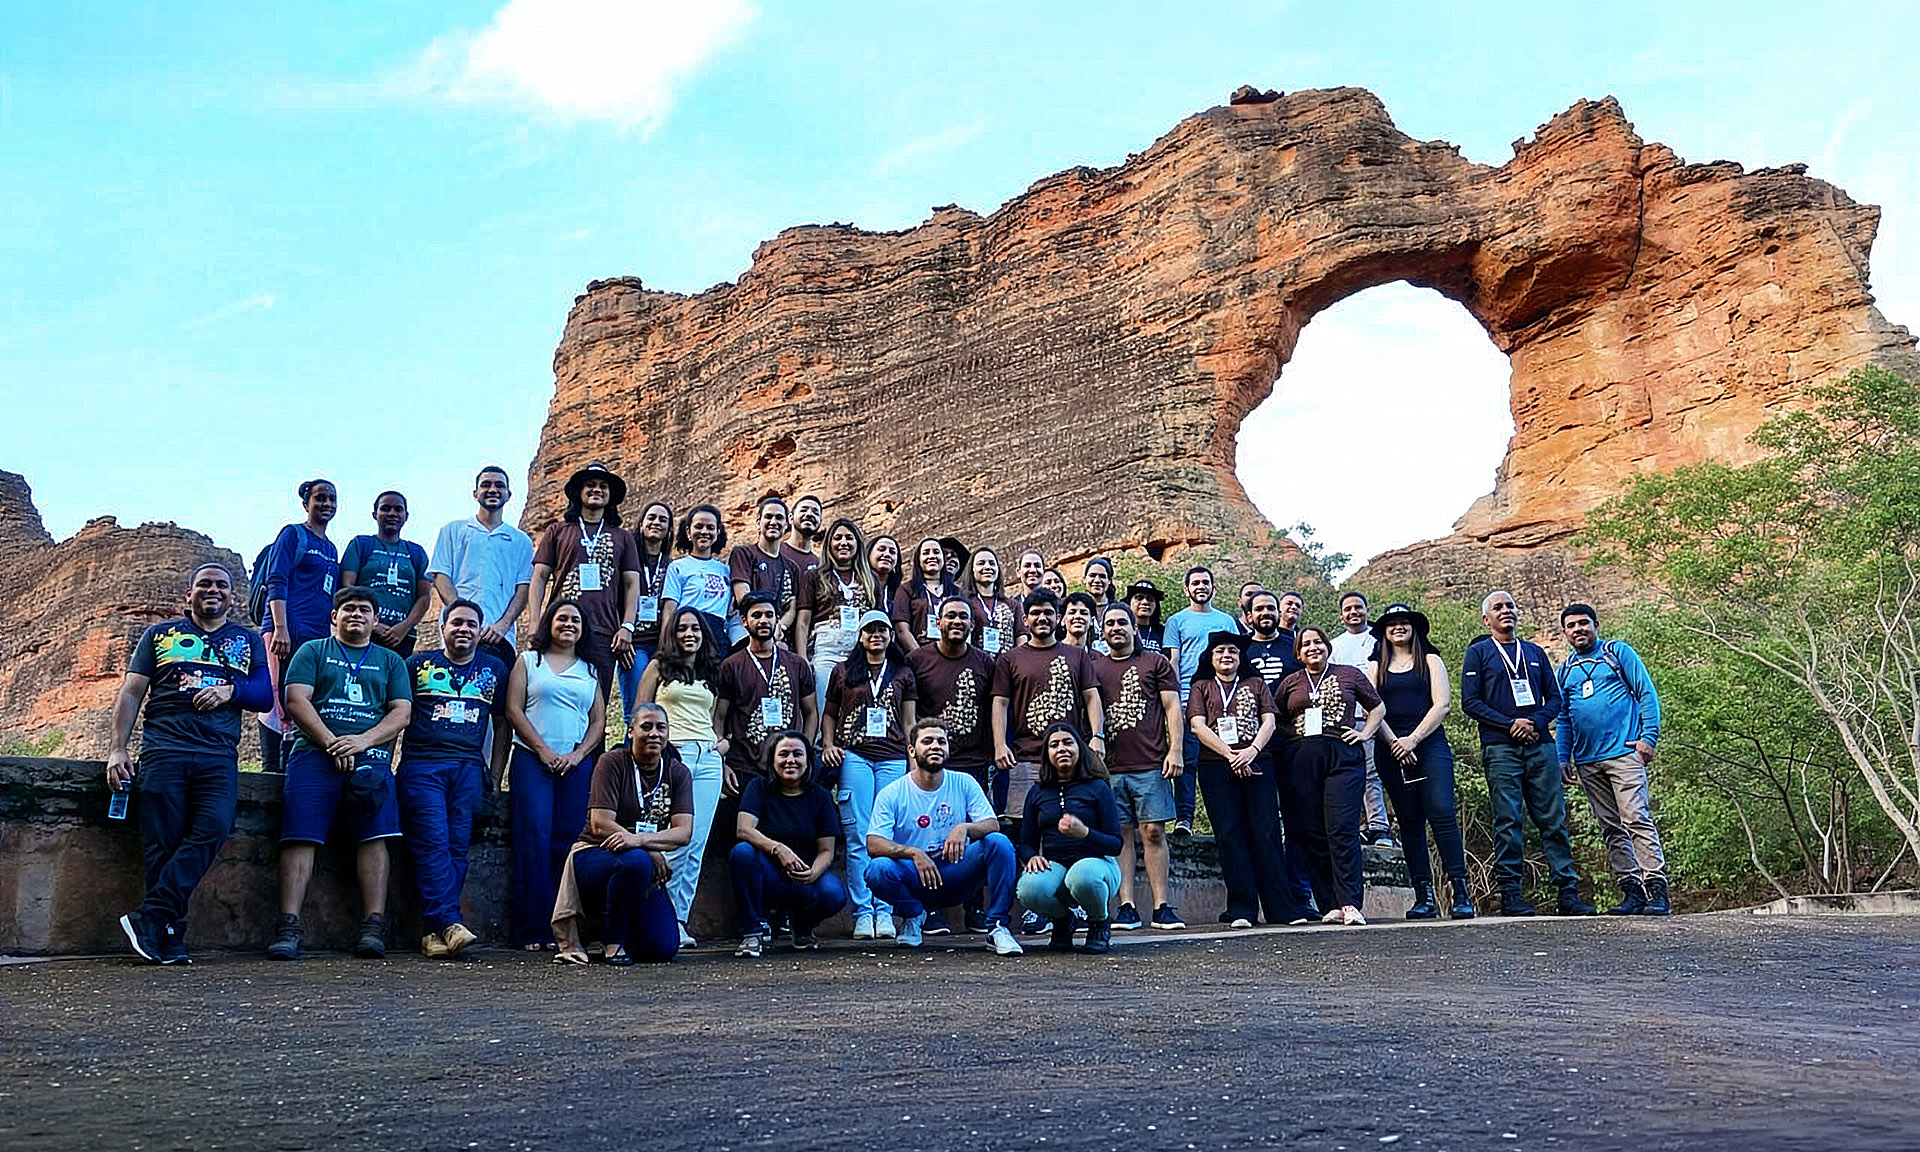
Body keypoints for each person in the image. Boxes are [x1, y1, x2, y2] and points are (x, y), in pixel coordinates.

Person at [108, 564, 271, 964]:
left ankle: (149, 917)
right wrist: (117, 749)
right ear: (189, 594)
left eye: (221, 585)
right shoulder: (159, 635)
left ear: (233, 596)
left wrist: (231, 691)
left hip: (218, 755)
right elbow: (131, 692)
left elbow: (264, 695)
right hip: (164, 750)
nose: (213, 590)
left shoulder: (248, 640)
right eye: (204, 584)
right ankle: (169, 935)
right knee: (162, 843)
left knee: (214, 827)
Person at [267, 586, 413, 960]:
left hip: (371, 758)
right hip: (313, 753)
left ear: (376, 619)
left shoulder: (391, 661)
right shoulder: (312, 651)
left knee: (374, 837)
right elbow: (296, 699)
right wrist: (331, 741)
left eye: (364, 610)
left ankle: (373, 926)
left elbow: (401, 712)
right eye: (348, 609)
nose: (356, 615)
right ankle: (288, 925)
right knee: (300, 836)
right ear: (334, 616)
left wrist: (362, 741)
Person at [1461, 591, 1593, 917]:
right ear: (1486, 619)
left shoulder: (1534, 652)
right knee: (1508, 820)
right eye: (1498, 607)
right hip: (1500, 747)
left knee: (1554, 820)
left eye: (1510, 605)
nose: (1505, 610)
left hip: (1540, 745)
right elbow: (1471, 702)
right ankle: (1511, 894)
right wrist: (1510, 724)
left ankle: (1567, 892)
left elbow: (1555, 699)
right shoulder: (1478, 653)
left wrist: (1534, 722)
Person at [399, 598, 511, 957]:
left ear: (480, 631)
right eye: (457, 623)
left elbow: (503, 724)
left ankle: (433, 933)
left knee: (457, 847)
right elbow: (397, 714)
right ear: (442, 628)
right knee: (433, 840)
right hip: (423, 765)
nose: (464, 629)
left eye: (471, 624)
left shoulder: (494, 669)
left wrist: (496, 774)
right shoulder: (417, 665)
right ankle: (449, 921)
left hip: (468, 767)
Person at [865, 719, 1024, 955]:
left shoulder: (964, 782)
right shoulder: (893, 793)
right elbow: (873, 843)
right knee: (878, 869)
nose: (935, 746)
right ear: (912, 750)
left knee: (999, 843)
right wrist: (913, 852)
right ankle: (913, 915)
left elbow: (992, 824)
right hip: (916, 877)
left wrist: (965, 828)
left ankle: (998, 927)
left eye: (941, 742)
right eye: (927, 741)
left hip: (957, 873)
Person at [503, 598, 608, 949]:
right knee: (534, 837)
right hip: (532, 760)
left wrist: (578, 755)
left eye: (576, 620)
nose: (568, 625)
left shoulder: (590, 671)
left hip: (575, 766)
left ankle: (560, 928)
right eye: (562, 618)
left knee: (566, 842)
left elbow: (598, 722)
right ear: (549, 622)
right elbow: (513, 710)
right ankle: (530, 929)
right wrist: (543, 751)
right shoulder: (528, 661)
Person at [554, 703, 693, 965]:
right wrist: (648, 849)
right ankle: (612, 941)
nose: (654, 734)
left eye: (661, 728)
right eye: (646, 727)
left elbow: (684, 832)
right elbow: (600, 823)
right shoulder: (612, 762)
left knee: (663, 947)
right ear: (630, 732)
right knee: (636, 862)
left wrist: (639, 841)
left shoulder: (678, 772)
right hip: (594, 853)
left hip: (638, 860)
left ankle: (619, 931)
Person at [1556, 603, 1669, 916]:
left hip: (1624, 753)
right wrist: (1562, 756)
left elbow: (1646, 693)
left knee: (1636, 818)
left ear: (1596, 624)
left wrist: (1649, 738)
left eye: (1583, 623)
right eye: (1571, 626)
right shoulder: (1565, 671)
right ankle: (1632, 891)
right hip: (1588, 761)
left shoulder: (1617, 653)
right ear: (1564, 632)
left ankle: (1656, 888)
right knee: (1610, 826)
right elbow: (1563, 717)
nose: (1578, 629)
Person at [1366, 604, 1473, 921]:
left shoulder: (1430, 661)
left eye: (1404, 622)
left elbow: (1442, 705)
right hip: (1390, 749)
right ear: (1384, 632)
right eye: (1392, 624)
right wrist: (1395, 743)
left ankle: (1460, 892)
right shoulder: (1375, 667)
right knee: (1409, 821)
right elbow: (1372, 709)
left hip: (1429, 745)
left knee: (1442, 812)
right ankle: (1423, 896)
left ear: (1414, 628)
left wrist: (1412, 740)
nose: (1398, 628)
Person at [1275, 625, 1384, 927]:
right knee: (1312, 830)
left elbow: (1377, 707)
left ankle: (1350, 903)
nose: (1313, 647)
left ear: (1327, 646)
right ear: (1298, 653)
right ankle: (1330, 903)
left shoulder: (1349, 674)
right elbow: (1276, 717)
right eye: (1306, 644)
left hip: (1342, 756)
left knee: (1342, 829)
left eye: (1318, 642)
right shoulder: (1290, 682)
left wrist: (1364, 733)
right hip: (1301, 760)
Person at [1187, 630, 1297, 928]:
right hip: (1216, 766)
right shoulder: (1201, 686)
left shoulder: (1256, 683)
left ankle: (1281, 910)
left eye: (1233, 651)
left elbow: (1270, 721)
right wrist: (1230, 755)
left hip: (1258, 762)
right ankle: (1241, 909)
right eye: (1220, 651)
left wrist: (1251, 751)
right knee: (1230, 834)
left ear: (1241, 657)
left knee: (1266, 832)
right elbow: (1197, 726)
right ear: (1210, 658)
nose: (1227, 656)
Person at [821, 611, 919, 939]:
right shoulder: (843, 671)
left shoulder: (903, 673)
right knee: (858, 835)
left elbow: (910, 721)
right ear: (860, 636)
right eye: (870, 631)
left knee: (889, 835)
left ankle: (885, 910)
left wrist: (913, 759)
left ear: (891, 635)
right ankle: (863, 912)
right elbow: (829, 713)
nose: (876, 636)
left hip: (893, 757)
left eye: (882, 630)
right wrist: (829, 744)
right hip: (855, 756)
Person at [1090, 603, 1185, 931]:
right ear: (1103, 631)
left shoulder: (1155, 662)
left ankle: (1161, 907)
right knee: (1121, 833)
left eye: (1122, 622)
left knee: (1154, 831)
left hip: (1151, 762)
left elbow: (1172, 707)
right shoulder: (1095, 668)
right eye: (1110, 623)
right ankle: (1126, 906)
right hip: (1109, 766)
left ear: (1134, 627)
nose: (1116, 628)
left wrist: (1176, 749)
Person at [908, 596, 999, 935]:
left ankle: (974, 906)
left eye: (964, 617)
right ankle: (930, 908)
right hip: (929, 764)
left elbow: (994, 708)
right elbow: (909, 711)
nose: (957, 621)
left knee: (973, 831)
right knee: (928, 830)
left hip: (972, 760)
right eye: (951, 616)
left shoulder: (985, 662)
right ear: (938, 623)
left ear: (972, 625)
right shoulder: (917, 660)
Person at [635, 607, 725, 947]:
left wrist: (721, 746)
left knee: (697, 844)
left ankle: (678, 920)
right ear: (672, 634)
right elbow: (639, 711)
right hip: (675, 755)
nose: (690, 634)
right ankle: (654, 914)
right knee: (673, 841)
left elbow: (715, 720)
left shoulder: (710, 672)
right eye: (683, 628)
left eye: (695, 629)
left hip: (708, 758)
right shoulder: (659, 667)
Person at [991, 588, 1104, 830]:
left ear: (1058, 618)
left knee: (1070, 826)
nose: (1042, 618)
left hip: (1070, 757)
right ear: (1025, 620)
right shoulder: (1010, 659)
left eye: (1048, 613)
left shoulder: (1077, 656)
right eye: (1035, 613)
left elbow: (1092, 698)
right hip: (1025, 756)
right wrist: (1000, 744)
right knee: (1024, 827)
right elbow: (1000, 703)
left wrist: (1097, 736)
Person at [531, 462, 642, 708]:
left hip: (603, 631)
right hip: (561, 627)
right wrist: (535, 622)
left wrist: (627, 626)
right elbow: (539, 577)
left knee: (596, 703)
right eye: (590, 485)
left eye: (603, 486)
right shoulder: (557, 531)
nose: (597, 490)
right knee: (554, 697)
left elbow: (632, 584)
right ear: (579, 492)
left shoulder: (623, 537)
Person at [730, 731, 847, 957]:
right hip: (767, 876)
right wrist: (779, 849)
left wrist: (813, 873)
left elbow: (826, 850)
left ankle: (802, 926)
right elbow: (744, 829)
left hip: (804, 878)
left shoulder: (821, 796)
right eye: (783, 754)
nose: (790, 760)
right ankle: (752, 932)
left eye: (797, 754)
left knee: (833, 893)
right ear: (772, 760)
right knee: (742, 852)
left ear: (808, 761)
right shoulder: (758, 787)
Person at [1017, 724, 1125, 953]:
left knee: (1082, 875)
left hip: (1097, 868)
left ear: (1079, 749)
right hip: (1057, 867)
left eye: (1068, 743)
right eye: (1054, 745)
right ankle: (1062, 920)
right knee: (1029, 887)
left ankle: (1099, 922)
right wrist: (1031, 857)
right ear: (1047, 754)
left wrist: (1085, 833)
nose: (1062, 749)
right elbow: (1025, 842)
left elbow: (1116, 844)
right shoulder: (1037, 792)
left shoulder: (1098, 787)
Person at [260, 479, 341, 773]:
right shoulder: (293, 534)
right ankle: (271, 767)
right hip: (286, 629)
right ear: (306, 503)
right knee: (275, 695)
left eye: (332, 498)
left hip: (315, 636)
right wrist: (280, 627)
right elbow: (277, 579)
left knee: (301, 696)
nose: (327, 504)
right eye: (320, 498)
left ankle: (293, 763)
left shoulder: (331, 549)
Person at [1243, 590, 1315, 915]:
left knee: (1298, 817)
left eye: (1270, 608)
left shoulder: (1293, 647)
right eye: (1259, 609)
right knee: (1263, 822)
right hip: (1253, 747)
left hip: (1293, 743)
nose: (1266, 613)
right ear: (1249, 615)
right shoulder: (1241, 650)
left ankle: (1301, 893)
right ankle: (1268, 898)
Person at [715, 592, 820, 798]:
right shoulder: (731, 665)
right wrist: (722, 762)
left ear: (777, 619)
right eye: (756, 615)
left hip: (788, 766)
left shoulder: (797, 664)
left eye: (769, 615)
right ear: (744, 621)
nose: (764, 620)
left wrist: (804, 751)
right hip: (744, 765)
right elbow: (719, 717)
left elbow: (811, 713)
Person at [1161, 567, 1240, 839]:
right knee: (1187, 760)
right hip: (1188, 697)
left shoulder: (1226, 620)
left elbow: (1236, 658)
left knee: (1225, 756)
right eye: (1195, 583)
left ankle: (1229, 819)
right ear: (1187, 589)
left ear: (1213, 588)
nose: (1201, 586)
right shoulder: (1176, 621)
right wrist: (1174, 700)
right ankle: (1184, 818)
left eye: (1206, 582)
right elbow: (1173, 661)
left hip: (1222, 699)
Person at [427, 466, 533, 666]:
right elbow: (441, 577)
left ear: (508, 494)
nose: (493, 490)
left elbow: (523, 589)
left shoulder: (521, 541)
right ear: (475, 494)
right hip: (457, 634)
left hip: (499, 637)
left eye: (499, 485)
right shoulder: (452, 531)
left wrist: (503, 625)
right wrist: (463, 617)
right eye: (486, 485)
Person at [1329, 590, 1395, 847]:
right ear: (1341, 615)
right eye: (1348, 609)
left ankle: (1379, 826)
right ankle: (1352, 826)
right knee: (1350, 773)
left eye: (1358, 607)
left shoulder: (1380, 640)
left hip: (1380, 715)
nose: (1354, 612)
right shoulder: (1335, 645)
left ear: (1367, 610)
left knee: (1374, 773)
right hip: (1348, 719)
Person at [796, 518, 880, 714]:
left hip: (861, 651)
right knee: (824, 706)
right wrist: (802, 658)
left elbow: (877, 620)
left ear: (858, 544)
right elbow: (803, 622)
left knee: (857, 708)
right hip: (826, 649)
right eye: (838, 538)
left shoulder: (870, 579)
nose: (844, 543)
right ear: (829, 544)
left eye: (849, 538)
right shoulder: (814, 576)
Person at [339, 490, 431, 657]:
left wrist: (405, 626)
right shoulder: (361, 544)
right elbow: (347, 586)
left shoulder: (416, 553)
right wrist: (372, 623)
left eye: (398, 509)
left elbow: (424, 596)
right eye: (385, 508)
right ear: (375, 514)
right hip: (363, 632)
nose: (392, 514)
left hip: (401, 637)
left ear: (406, 516)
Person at [728, 495, 799, 646]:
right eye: (768, 517)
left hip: (776, 629)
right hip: (745, 626)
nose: (773, 522)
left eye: (779, 518)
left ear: (786, 525)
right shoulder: (743, 554)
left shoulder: (791, 567)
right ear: (758, 523)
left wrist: (780, 626)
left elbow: (791, 607)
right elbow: (743, 597)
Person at [659, 503, 731, 644]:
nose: (704, 532)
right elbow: (669, 609)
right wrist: (665, 644)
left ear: (718, 532)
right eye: (698, 526)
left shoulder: (725, 570)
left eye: (710, 528)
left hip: (717, 637)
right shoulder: (677, 567)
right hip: (688, 634)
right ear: (688, 531)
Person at [628, 501, 675, 701]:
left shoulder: (672, 565)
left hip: (661, 645)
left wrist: (667, 646)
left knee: (659, 704)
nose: (656, 522)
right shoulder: (628, 560)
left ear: (669, 529)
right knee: (637, 705)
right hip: (634, 644)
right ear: (641, 524)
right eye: (651, 517)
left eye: (663, 520)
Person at [891, 537, 959, 651]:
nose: (932, 556)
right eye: (926, 553)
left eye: (936, 552)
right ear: (918, 559)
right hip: (918, 654)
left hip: (952, 654)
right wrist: (920, 656)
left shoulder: (957, 592)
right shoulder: (907, 590)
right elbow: (902, 629)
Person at [963, 548, 1019, 657]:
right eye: (981, 563)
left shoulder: (1013, 605)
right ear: (972, 569)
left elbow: (1020, 638)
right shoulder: (964, 602)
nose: (987, 567)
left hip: (1006, 664)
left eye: (992, 563)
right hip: (974, 662)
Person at [783, 495, 825, 596]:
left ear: (820, 522)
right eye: (804, 510)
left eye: (815, 513)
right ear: (790, 518)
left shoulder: (820, 565)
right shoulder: (775, 553)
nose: (809, 514)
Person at [1125, 580, 1166, 653]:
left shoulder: (1164, 633)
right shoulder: (1122, 629)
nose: (1145, 602)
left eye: (1150, 599)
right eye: (1139, 598)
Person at [868, 534, 902, 606]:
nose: (887, 554)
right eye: (881, 549)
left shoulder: (900, 593)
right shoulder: (857, 587)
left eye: (892, 552)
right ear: (868, 554)